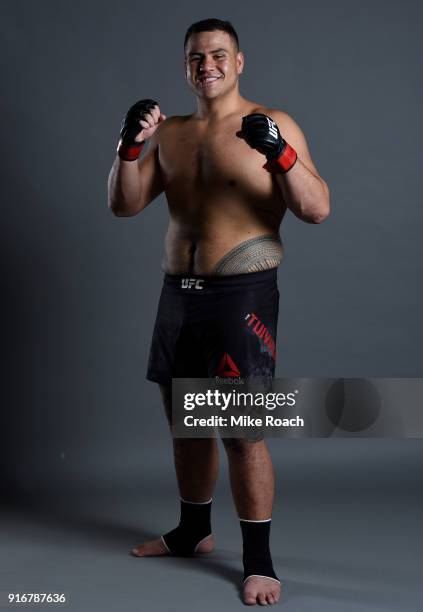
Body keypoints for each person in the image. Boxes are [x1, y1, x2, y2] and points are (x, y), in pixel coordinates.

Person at [107, 18, 329, 606]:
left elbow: (317, 208)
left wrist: (278, 153)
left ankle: (258, 562)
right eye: (196, 57)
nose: (207, 65)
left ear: (240, 60)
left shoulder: (273, 124)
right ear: (185, 65)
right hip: (178, 296)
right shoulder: (173, 134)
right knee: (186, 424)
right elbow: (123, 204)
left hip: (242, 298)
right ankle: (192, 533)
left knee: (242, 433)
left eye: (218, 54)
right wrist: (128, 146)